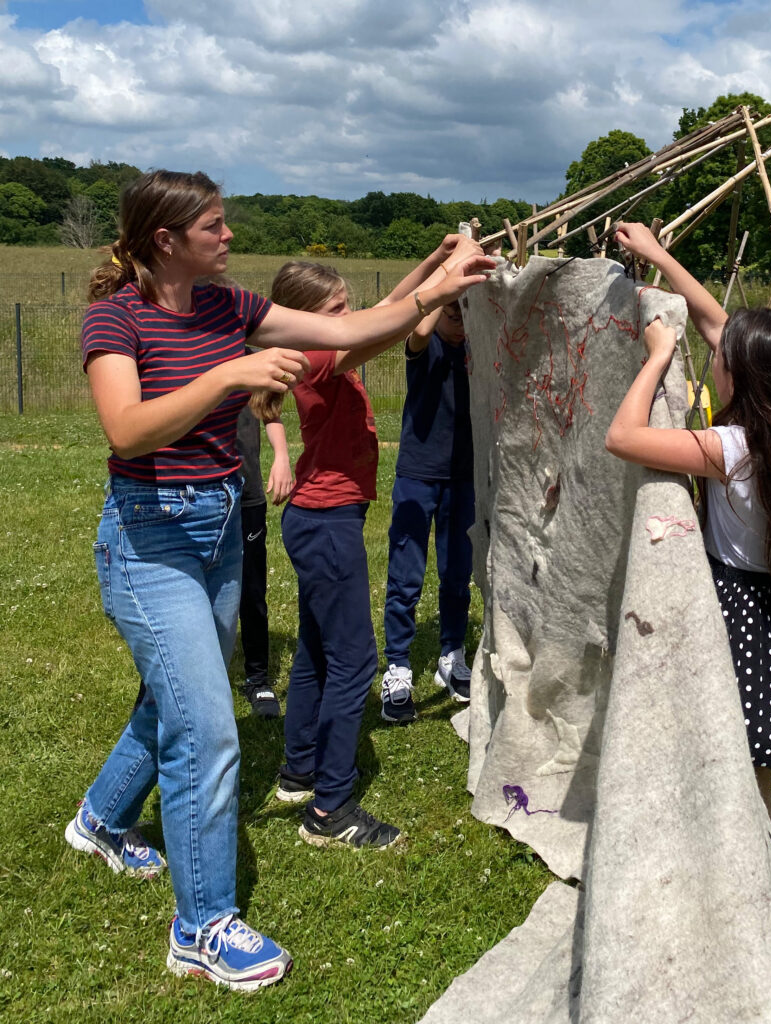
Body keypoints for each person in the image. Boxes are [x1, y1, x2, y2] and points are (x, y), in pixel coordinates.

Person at [64, 168, 492, 990]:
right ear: (167, 239)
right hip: (149, 538)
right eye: (215, 227)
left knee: (171, 702)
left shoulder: (234, 307)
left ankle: (103, 820)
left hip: (218, 532)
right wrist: (229, 377)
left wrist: (439, 282)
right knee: (208, 729)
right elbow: (126, 428)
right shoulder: (114, 319)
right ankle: (202, 928)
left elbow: (358, 327)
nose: (229, 237)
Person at [606, 222, 771, 829]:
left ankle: (745, 866)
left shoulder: (730, 447)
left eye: (719, 359)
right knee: (753, 755)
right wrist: (657, 256)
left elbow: (623, 438)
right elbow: (720, 325)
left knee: (734, 754)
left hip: (740, 606)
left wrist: (660, 356)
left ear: (740, 379)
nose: (713, 353)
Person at [262, 244, 481, 847]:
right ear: (306, 315)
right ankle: (331, 809)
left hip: (320, 519)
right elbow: (392, 323)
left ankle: (298, 769)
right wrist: (436, 290)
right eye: (337, 308)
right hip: (327, 523)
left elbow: (386, 308)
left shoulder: (319, 348)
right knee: (356, 662)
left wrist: (438, 257)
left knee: (315, 652)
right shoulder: (315, 356)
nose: (350, 314)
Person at [378, 295, 475, 724]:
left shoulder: (479, 352)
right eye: (451, 313)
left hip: (464, 476)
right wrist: (444, 289)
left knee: (458, 573)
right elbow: (419, 330)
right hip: (418, 474)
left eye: (465, 314)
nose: (459, 323)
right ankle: (398, 665)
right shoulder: (424, 345)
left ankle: (452, 653)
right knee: (406, 575)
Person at [235, 403, 293, 717]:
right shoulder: (188, 355)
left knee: (253, 591)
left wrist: (281, 457)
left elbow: (269, 411)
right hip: (200, 495)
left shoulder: (247, 356)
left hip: (248, 495)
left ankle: (258, 678)